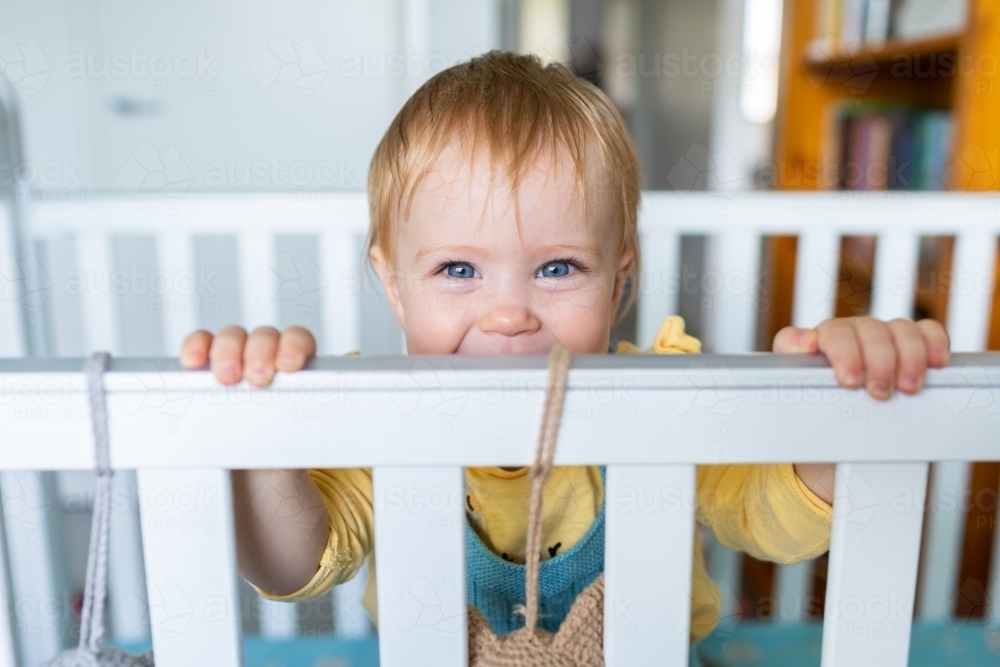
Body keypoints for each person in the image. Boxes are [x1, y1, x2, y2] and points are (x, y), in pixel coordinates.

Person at [179, 51, 950, 642]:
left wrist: (840, 401)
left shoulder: (665, 399)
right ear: (393, 283)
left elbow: (770, 515)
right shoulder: (377, 411)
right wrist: (261, 431)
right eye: (457, 268)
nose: (509, 313)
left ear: (618, 284)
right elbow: (294, 566)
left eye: (557, 267)